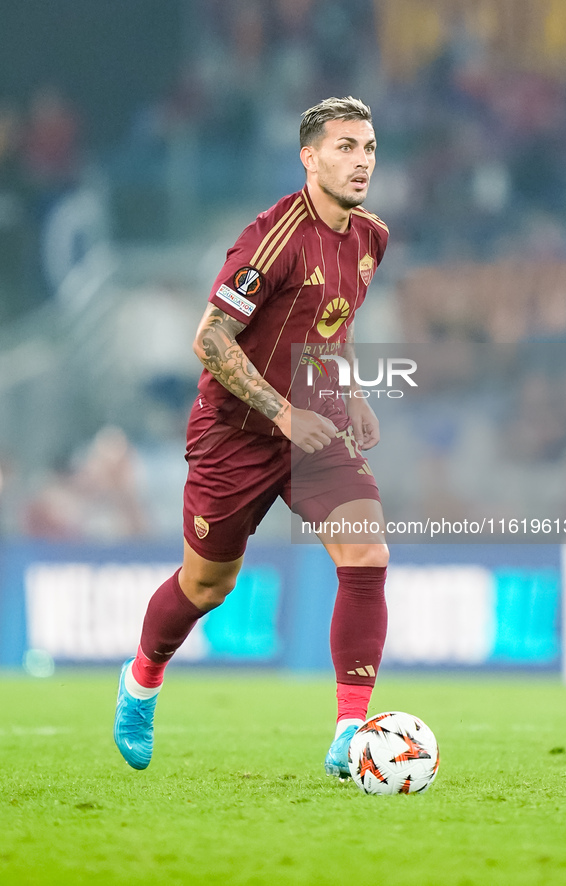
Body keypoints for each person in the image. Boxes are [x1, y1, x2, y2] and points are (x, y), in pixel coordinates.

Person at [114, 96, 390, 778]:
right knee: (208, 585)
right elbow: (208, 337)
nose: (361, 162)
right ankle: (141, 681)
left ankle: (349, 731)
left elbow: (333, 323)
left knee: (366, 551)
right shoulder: (271, 239)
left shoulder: (370, 238)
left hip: (312, 428)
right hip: (235, 433)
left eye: (369, 148)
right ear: (309, 157)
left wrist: (349, 392)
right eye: (345, 148)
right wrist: (282, 415)